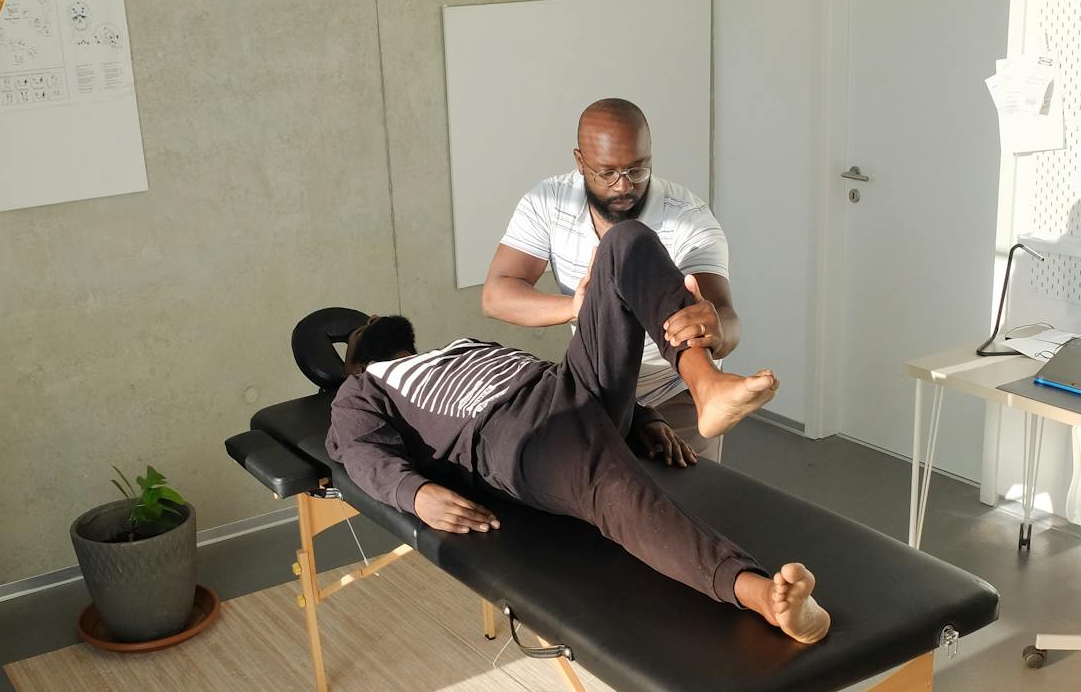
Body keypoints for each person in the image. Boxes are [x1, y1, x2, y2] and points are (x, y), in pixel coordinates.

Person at [328, 219, 829, 655]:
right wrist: (415, 495)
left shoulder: (461, 345)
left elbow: (539, 369)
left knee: (624, 241)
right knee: (617, 495)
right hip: (519, 437)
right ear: (354, 359)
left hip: (568, 386)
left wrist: (642, 417)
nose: (370, 321)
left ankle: (706, 384)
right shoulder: (361, 388)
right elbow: (359, 451)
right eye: (361, 329)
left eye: (369, 317)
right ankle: (764, 596)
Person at [482, 98, 742, 462]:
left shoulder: (687, 218)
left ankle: (708, 386)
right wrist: (576, 308)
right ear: (579, 162)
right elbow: (496, 294)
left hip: (673, 392)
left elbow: (727, 318)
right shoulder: (548, 201)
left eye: (638, 170)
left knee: (685, 505)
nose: (623, 186)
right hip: (598, 385)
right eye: (606, 173)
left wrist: (718, 329)